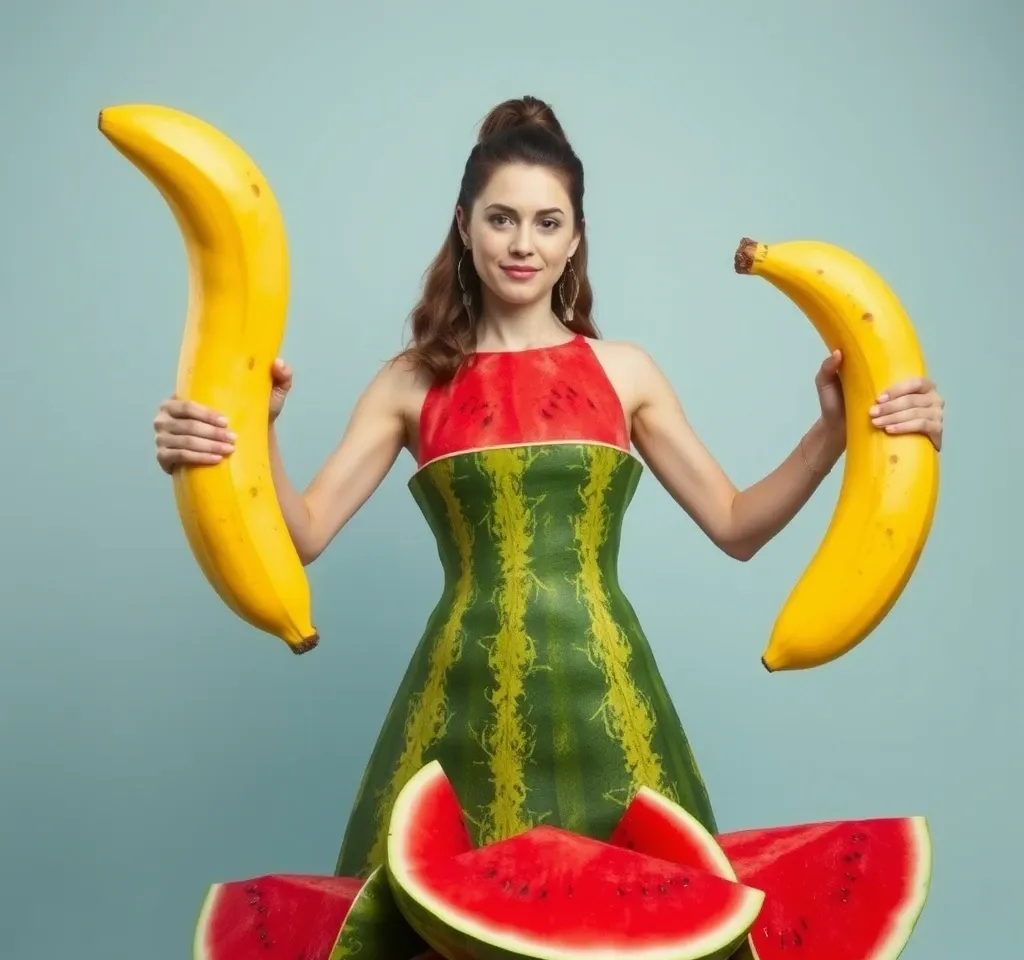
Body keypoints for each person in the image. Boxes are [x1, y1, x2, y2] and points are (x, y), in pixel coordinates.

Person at [151, 96, 945, 878]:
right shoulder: (408, 383)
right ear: (464, 227)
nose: (522, 244)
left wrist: (836, 433)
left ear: (575, 240)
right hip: (455, 709)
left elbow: (737, 526)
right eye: (501, 219)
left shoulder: (625, 372)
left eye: (547, 222)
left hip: (613, 703)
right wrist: (245, 436)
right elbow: (305, 532)